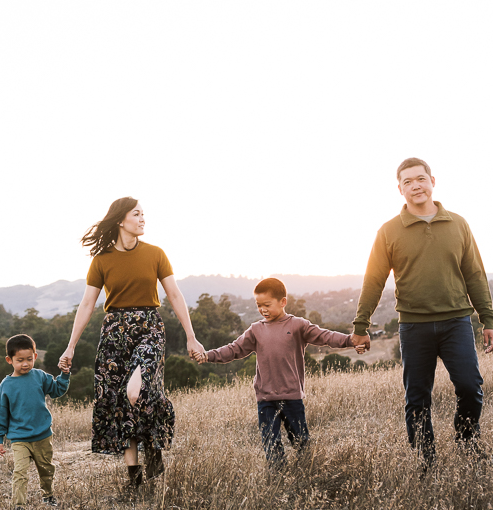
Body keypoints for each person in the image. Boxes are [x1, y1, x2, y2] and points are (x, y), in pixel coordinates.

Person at [350, 158, 493, 464]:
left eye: (420, 179)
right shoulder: (388, 231)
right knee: (417, 398)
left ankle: (466, 441)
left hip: (456, 322)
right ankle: (424, 460)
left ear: (432, 181)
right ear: (399, 189)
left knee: (470, 386)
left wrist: (488, 318)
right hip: (414, 327)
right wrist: (361, 325)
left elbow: (475, 275)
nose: (415, 185)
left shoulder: (458, 224)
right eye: (408, 182)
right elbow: (374, 280)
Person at [58, 197, 205, 490]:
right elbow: (87, 304)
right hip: (114, 332)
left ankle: (154, 446)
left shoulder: (156, 254)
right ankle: (134, 477)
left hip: (149, 327)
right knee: (119, 401)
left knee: (136, 390)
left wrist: (191, 335)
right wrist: (70, 345)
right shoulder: (101, 260)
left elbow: (174, 295)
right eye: (137, 214)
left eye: (143, 214)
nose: (142, 219)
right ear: (120, 220)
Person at [193, 277, 364, 464]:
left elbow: (325, 336)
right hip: (265, 399)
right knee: (271, 446)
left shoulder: (298, 325)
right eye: (259, 305)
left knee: (302, 444)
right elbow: (234, 349)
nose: (262, 309)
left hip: (291, 397)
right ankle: (278, 481)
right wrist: (208, 355)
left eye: (267, 304)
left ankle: (307, 474)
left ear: (283, 302)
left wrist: (350, 340)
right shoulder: (256, 330)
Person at [0, 333, 70, 510]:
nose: (25, 363)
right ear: (9, 360)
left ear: (35, 356)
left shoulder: (40, 376)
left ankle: (48, 496)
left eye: (29, 359)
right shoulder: (6, 385)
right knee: (20, 472)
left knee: (46, 469)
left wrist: (64, 375)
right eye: (20, 360)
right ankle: (19, 507)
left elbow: (57, 390)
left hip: (43, 435)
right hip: (19, 439)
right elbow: (0, 414)